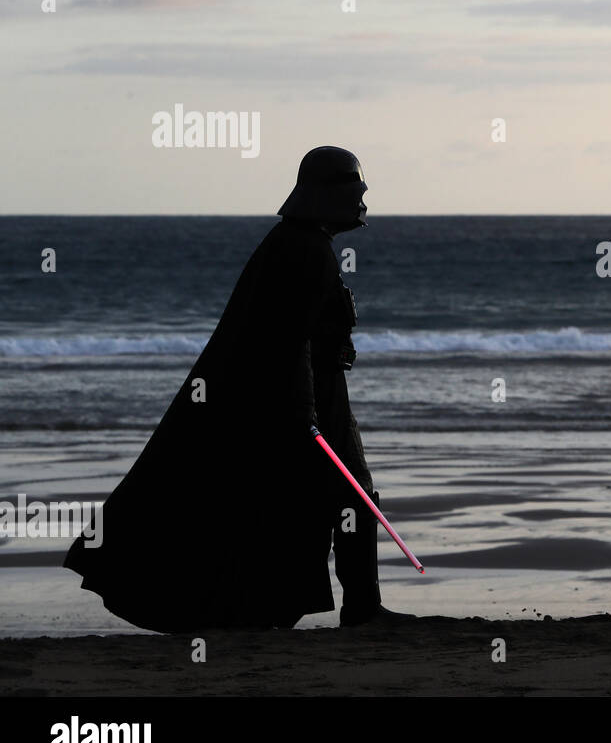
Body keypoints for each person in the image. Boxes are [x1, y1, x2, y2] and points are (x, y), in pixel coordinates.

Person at [64, 146, 414, 630]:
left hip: (318, 398)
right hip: (306, 403)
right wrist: (306, 414)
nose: (364, 193)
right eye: (354, 183)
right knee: (348, 497)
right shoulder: (303, 249)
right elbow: (287, 338)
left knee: (335, 499)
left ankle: (341, 603)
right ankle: (359, 607)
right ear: (326, 192)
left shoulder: (301, 245)